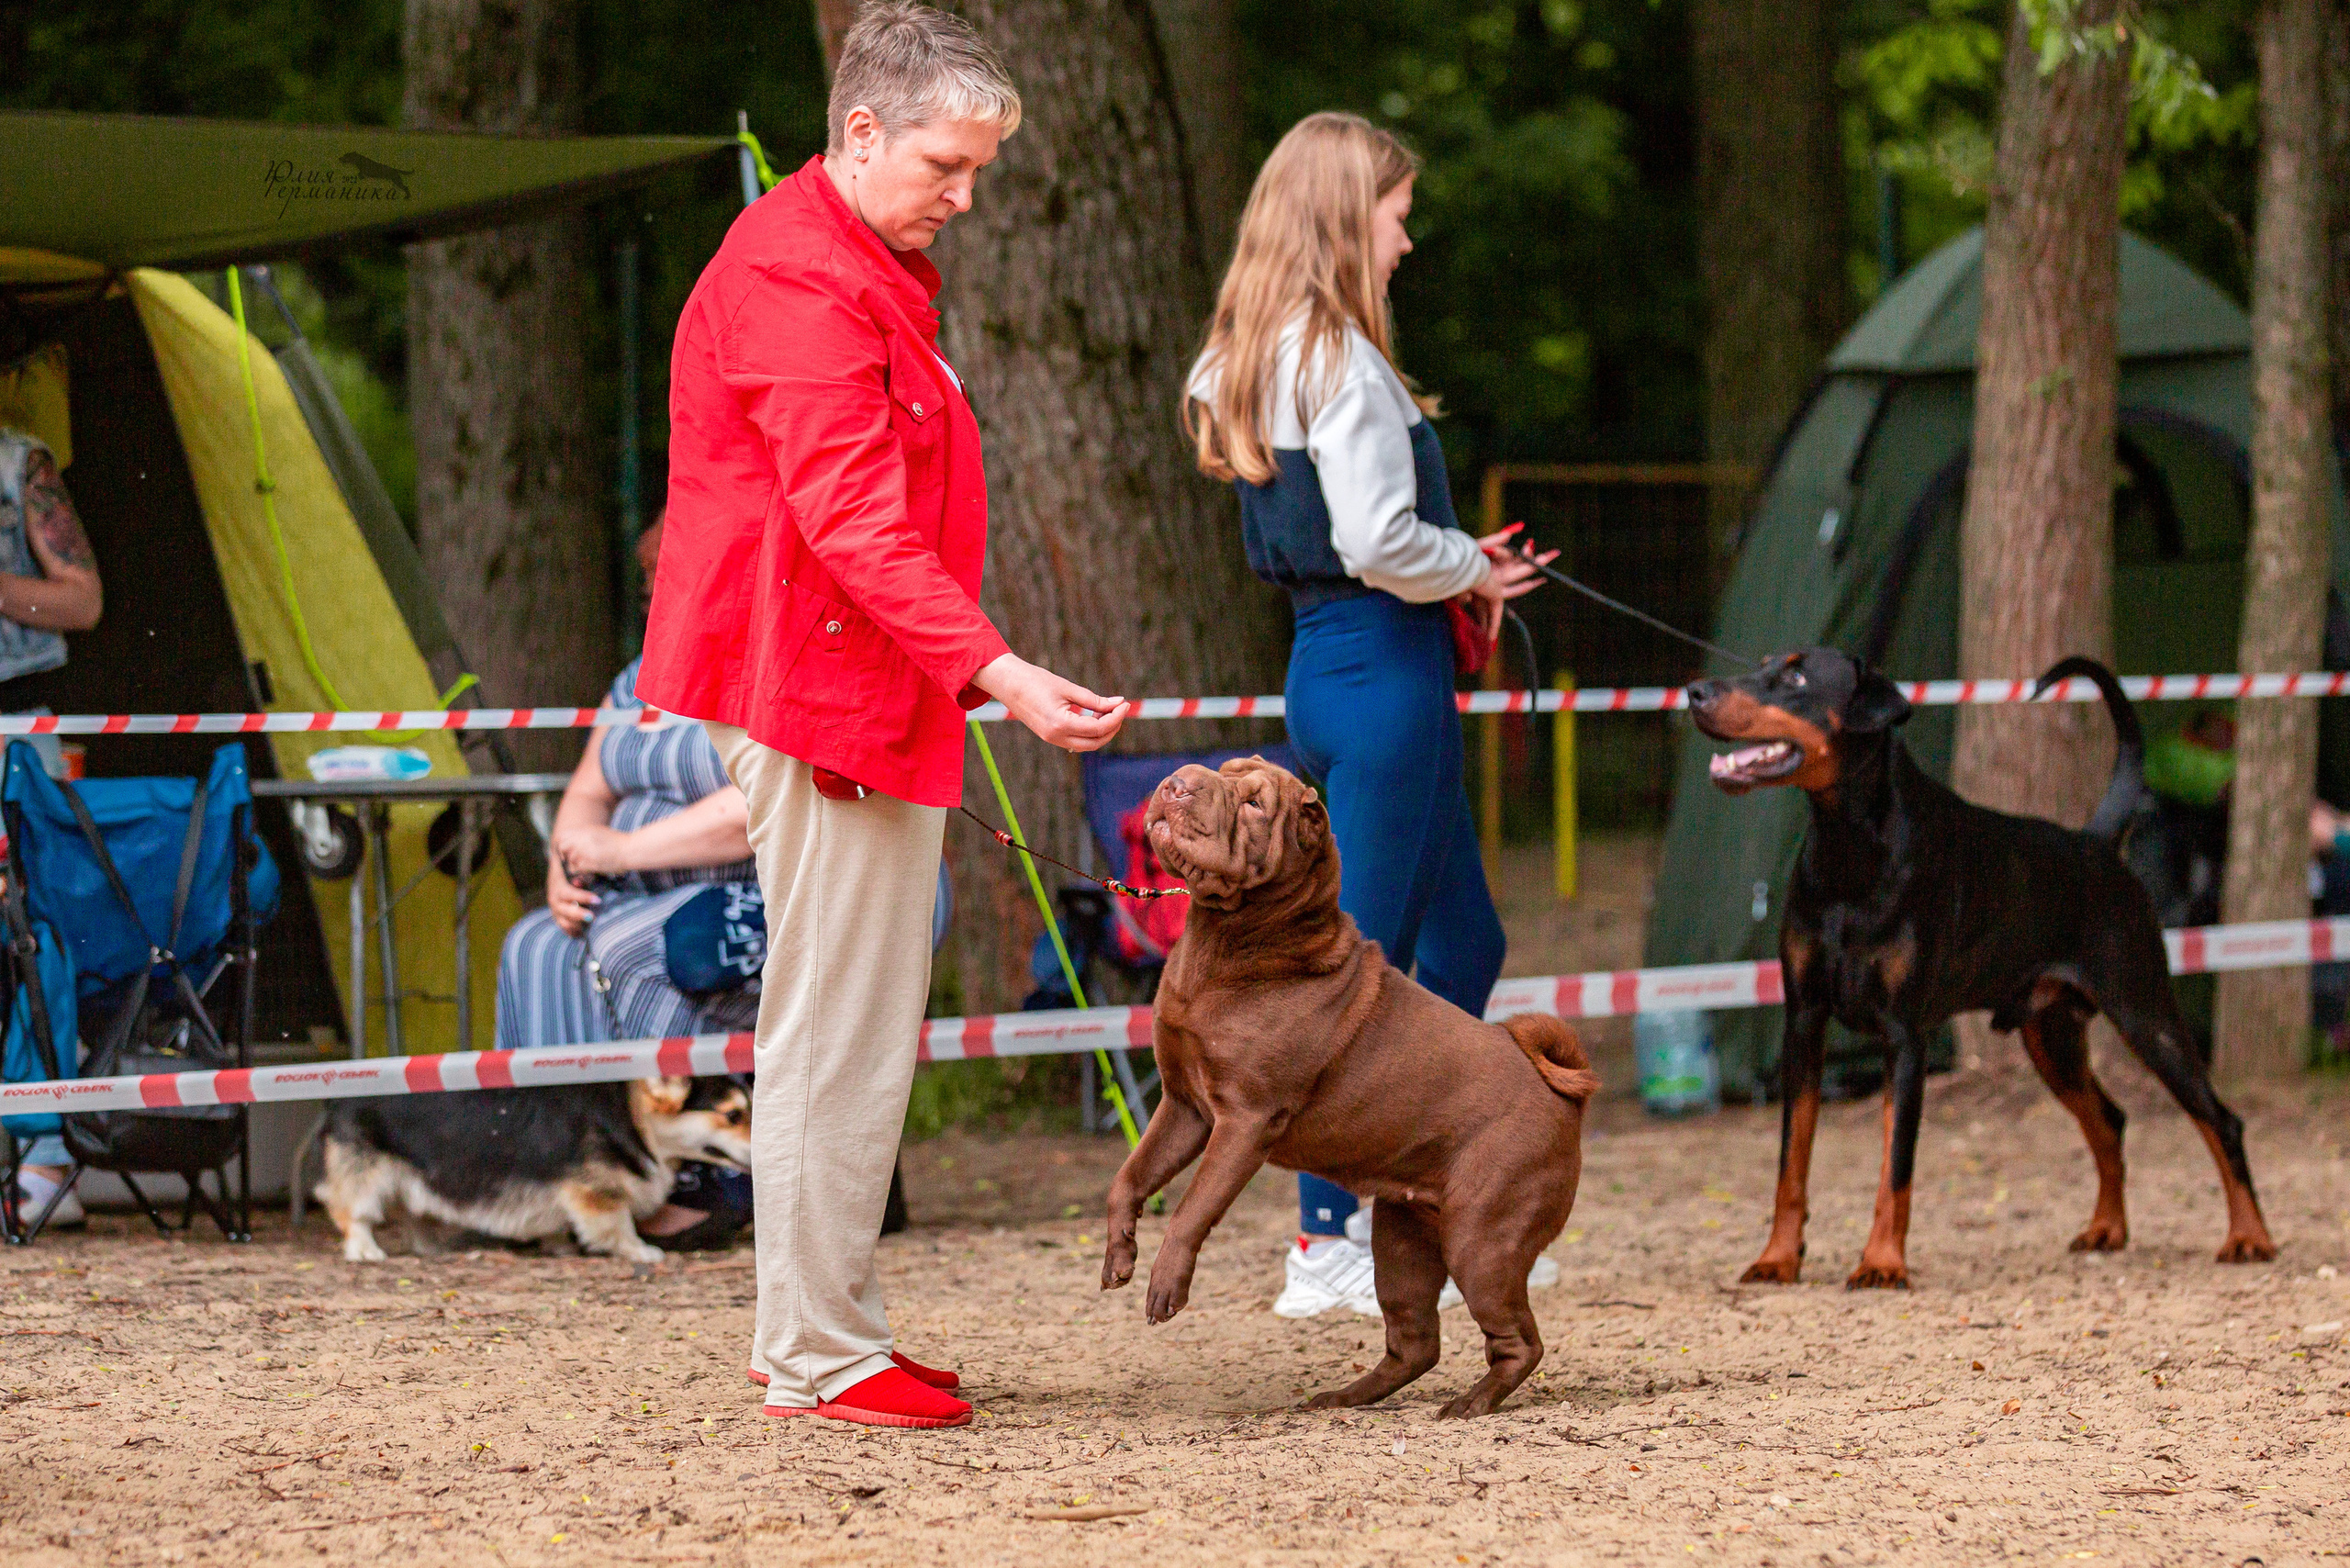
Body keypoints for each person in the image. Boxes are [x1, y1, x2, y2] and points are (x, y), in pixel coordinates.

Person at [636, 0, 1127, 1430]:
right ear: (860, 133)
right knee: (836, 1024)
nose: (965, 198)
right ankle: (816, 1356)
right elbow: (851, 520)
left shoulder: (850, 255)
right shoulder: (801, 281)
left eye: (976, 170)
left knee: (850, 1017)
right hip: (822, 689)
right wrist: (1006, 675)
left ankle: (824, 1328)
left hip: (856, 679)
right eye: (945, 167)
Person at [1183, 112, 1554, 1319]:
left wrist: (1460, 564)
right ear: (1349, 217)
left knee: (1466, 950)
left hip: (1327, 665)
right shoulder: (1338, 356)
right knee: (1351, 983)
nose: (1405, 239)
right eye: (1396, 214)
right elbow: (1377, 542)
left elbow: (1344, 546)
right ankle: (1328, 1242)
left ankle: (1438, 1184)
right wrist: (1473, 569)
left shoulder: (1241, 356)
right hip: (1390, 680)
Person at [489, 518, 757, 1249]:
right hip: (634, 887)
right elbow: (588, 790)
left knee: (636, 946)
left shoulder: (768, 664)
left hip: (759, 899)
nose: (658, 602)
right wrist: (565, 860)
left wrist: (623, 850)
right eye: (651, 588)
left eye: (671, 583)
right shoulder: (638, 679)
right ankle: (551, 1177)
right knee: (535, 948)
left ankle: (683, 1185)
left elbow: (760, 808)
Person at [0, 425, 104, 1230]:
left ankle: (45, 1156)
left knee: (33, 927)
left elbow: (84, 601)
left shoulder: (22, 462)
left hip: (15, 730)